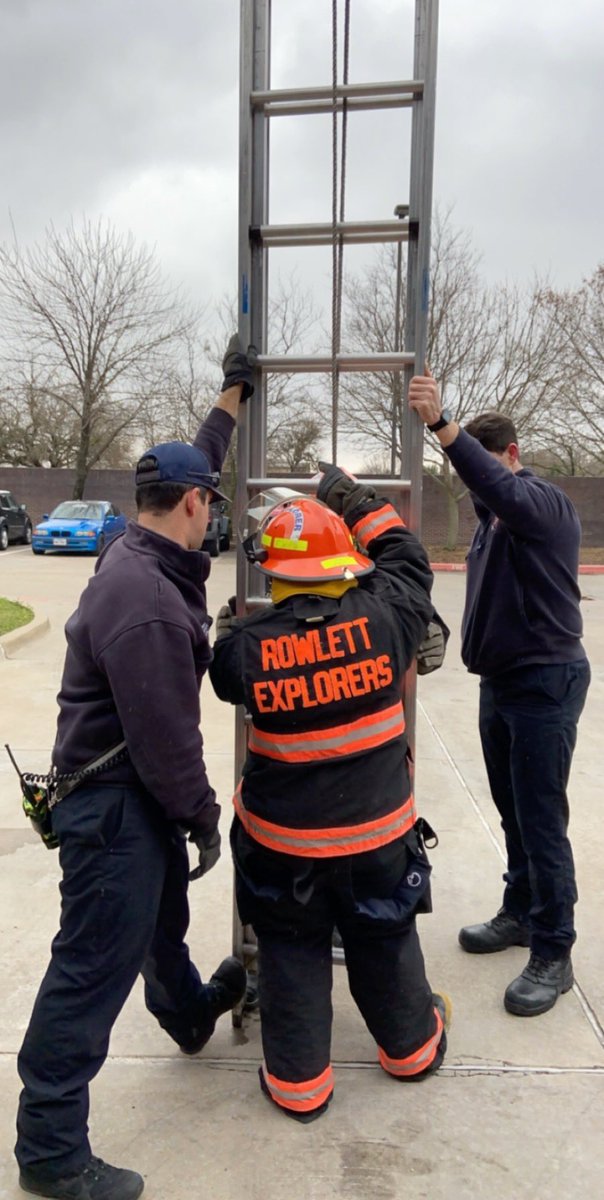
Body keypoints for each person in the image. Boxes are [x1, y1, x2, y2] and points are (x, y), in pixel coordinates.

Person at [15, 337, 254, 1200]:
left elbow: (196, 459)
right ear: (192, 504)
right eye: (210, 501)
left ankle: (188, 1013)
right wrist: (203, 818)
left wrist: (230, 398)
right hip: (116, 807)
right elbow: (164, 744)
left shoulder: (133, 540)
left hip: (121, 798)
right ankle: (50, 1151)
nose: (213, 511)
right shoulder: (148, 602)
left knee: (158, 925)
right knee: (89, 969)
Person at [209, 470, 449, 1124]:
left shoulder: (246, 650)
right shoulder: (392, 615)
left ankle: (299, 1087)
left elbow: (225, 672)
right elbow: (407, 557)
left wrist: (232, 632)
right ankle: (412, 1050)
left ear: (272, 573)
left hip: (283, 849)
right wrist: (355, 500)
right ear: (345, 563)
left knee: (291, 950)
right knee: (384, 937)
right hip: (378, 837)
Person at [408, 369, 591, 1018]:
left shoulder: (543, 503)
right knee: (513, 811)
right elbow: (488, 492)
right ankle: (520, 912)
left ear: (511, 455)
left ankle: (554, 950)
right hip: (502, 683)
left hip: (545, 682)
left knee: (541, 819)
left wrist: (442, 426)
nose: (475, 484)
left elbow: (499, 487)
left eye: (484, 467)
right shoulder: (492, 519)